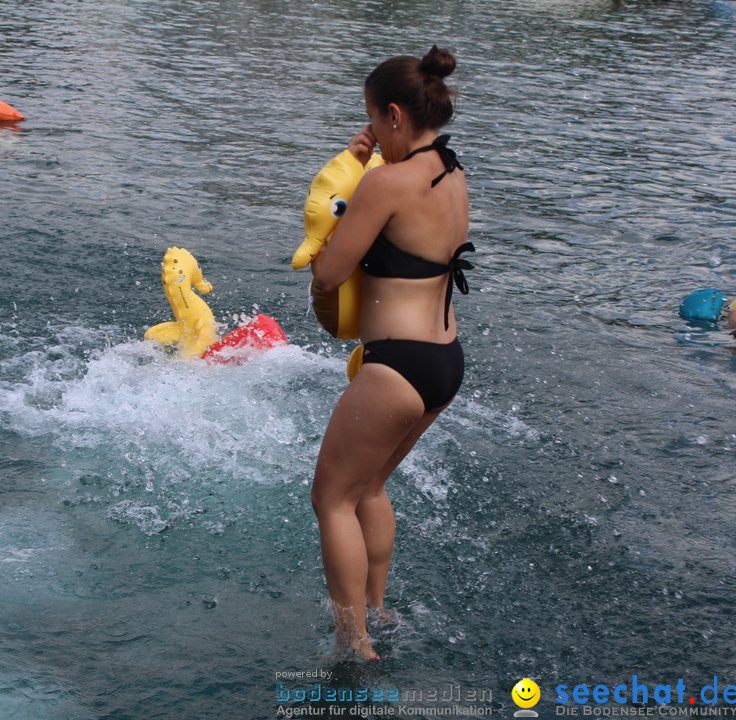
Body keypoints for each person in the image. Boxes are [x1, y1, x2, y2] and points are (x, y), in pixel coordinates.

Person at [308, 45, 474, 659]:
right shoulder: (451, 171)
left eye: (373, 121)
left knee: (331, 498)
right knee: (370, 488)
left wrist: (347, 179)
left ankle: (356, 646)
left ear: (396, 115)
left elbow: (329, 274)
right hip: (443, 360)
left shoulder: (385, 182)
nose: (371, 134)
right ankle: (378, 610)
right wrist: (364, 158)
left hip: (398, 364)